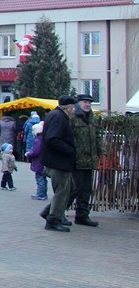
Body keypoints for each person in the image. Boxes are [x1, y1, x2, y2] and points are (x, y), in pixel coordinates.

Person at [39, 96, 77, 232]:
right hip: (58, 162)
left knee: (71, 189)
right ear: (68, 107)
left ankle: (49, 212)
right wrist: (69, 150)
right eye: (73, 107)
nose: (74, 109)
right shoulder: (59, 117)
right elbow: (53, 139)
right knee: (62, 191)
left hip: (58, 161)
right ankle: (53, 220)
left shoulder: (55, 115)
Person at [68, 93, 103, 227]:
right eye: (85, 102)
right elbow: (66, 136)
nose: (87, 104)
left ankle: (82, 216)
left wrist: (102, 152)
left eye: (89, 102)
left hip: (89, 160)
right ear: (78, 103)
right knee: (73, 189)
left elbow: (97, 136)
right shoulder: (72, 117)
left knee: (86, 190)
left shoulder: (92, 118)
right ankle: (54, 213)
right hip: (76, 160)